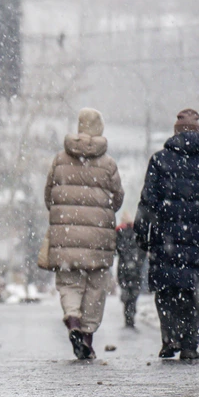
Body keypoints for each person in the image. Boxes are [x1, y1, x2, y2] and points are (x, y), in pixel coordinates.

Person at [134, 109, 199, 361]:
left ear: (175, 133)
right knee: (193, 289)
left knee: (166, 288)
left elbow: (147, 201)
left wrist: (142, 234)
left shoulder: (159, 160)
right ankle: (189, 342)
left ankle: (169, 338)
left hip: (165, 238)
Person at [44, 108, 123, 360]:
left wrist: (63, 214)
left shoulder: (59, 160)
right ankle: (87, 337)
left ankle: (73, 322)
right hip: (98, 237)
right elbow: (118, 198)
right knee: (96, 287)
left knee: (69, 283)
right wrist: (101, 212)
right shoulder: (108, 164)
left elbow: (49, 195)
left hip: (65, 235)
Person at [115, 216, 146, 328]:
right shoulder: (138, 232)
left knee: (126, 290)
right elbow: (142, 250)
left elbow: (118, 249)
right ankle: (131, 312)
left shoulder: (119, 232)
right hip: (135, 267)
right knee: (134, 291)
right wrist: (139, 261)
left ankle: (128, 312)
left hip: (123, 266)